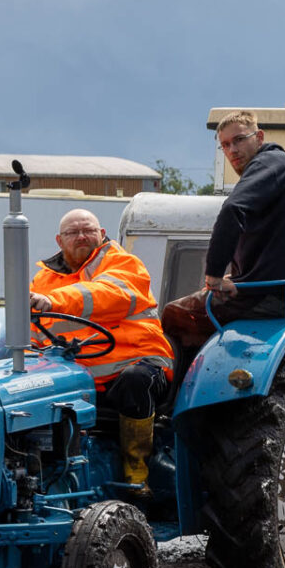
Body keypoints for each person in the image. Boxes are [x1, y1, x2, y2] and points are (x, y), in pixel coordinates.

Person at [162, 109, 285, 357]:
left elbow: (232, 210)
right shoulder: (284, 168)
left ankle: (179, 381)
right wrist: (241, 276)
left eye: (239, 140)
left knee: (175, 314)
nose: (232, 150)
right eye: (225, 145)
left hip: (269, 297)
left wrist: (214, 276)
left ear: (259, 137)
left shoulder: (267, 163)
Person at [30, 209, 174, 490]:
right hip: (76, 377)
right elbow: (33, 336)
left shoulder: (123, 263)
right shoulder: (42, 281)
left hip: (134, 362)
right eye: (73, 232)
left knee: (136, 380)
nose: (82, 236)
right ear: (60, 240)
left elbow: (106, 293)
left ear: (102, 234)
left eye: (89, 230)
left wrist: (55, 301)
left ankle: (137, 471)